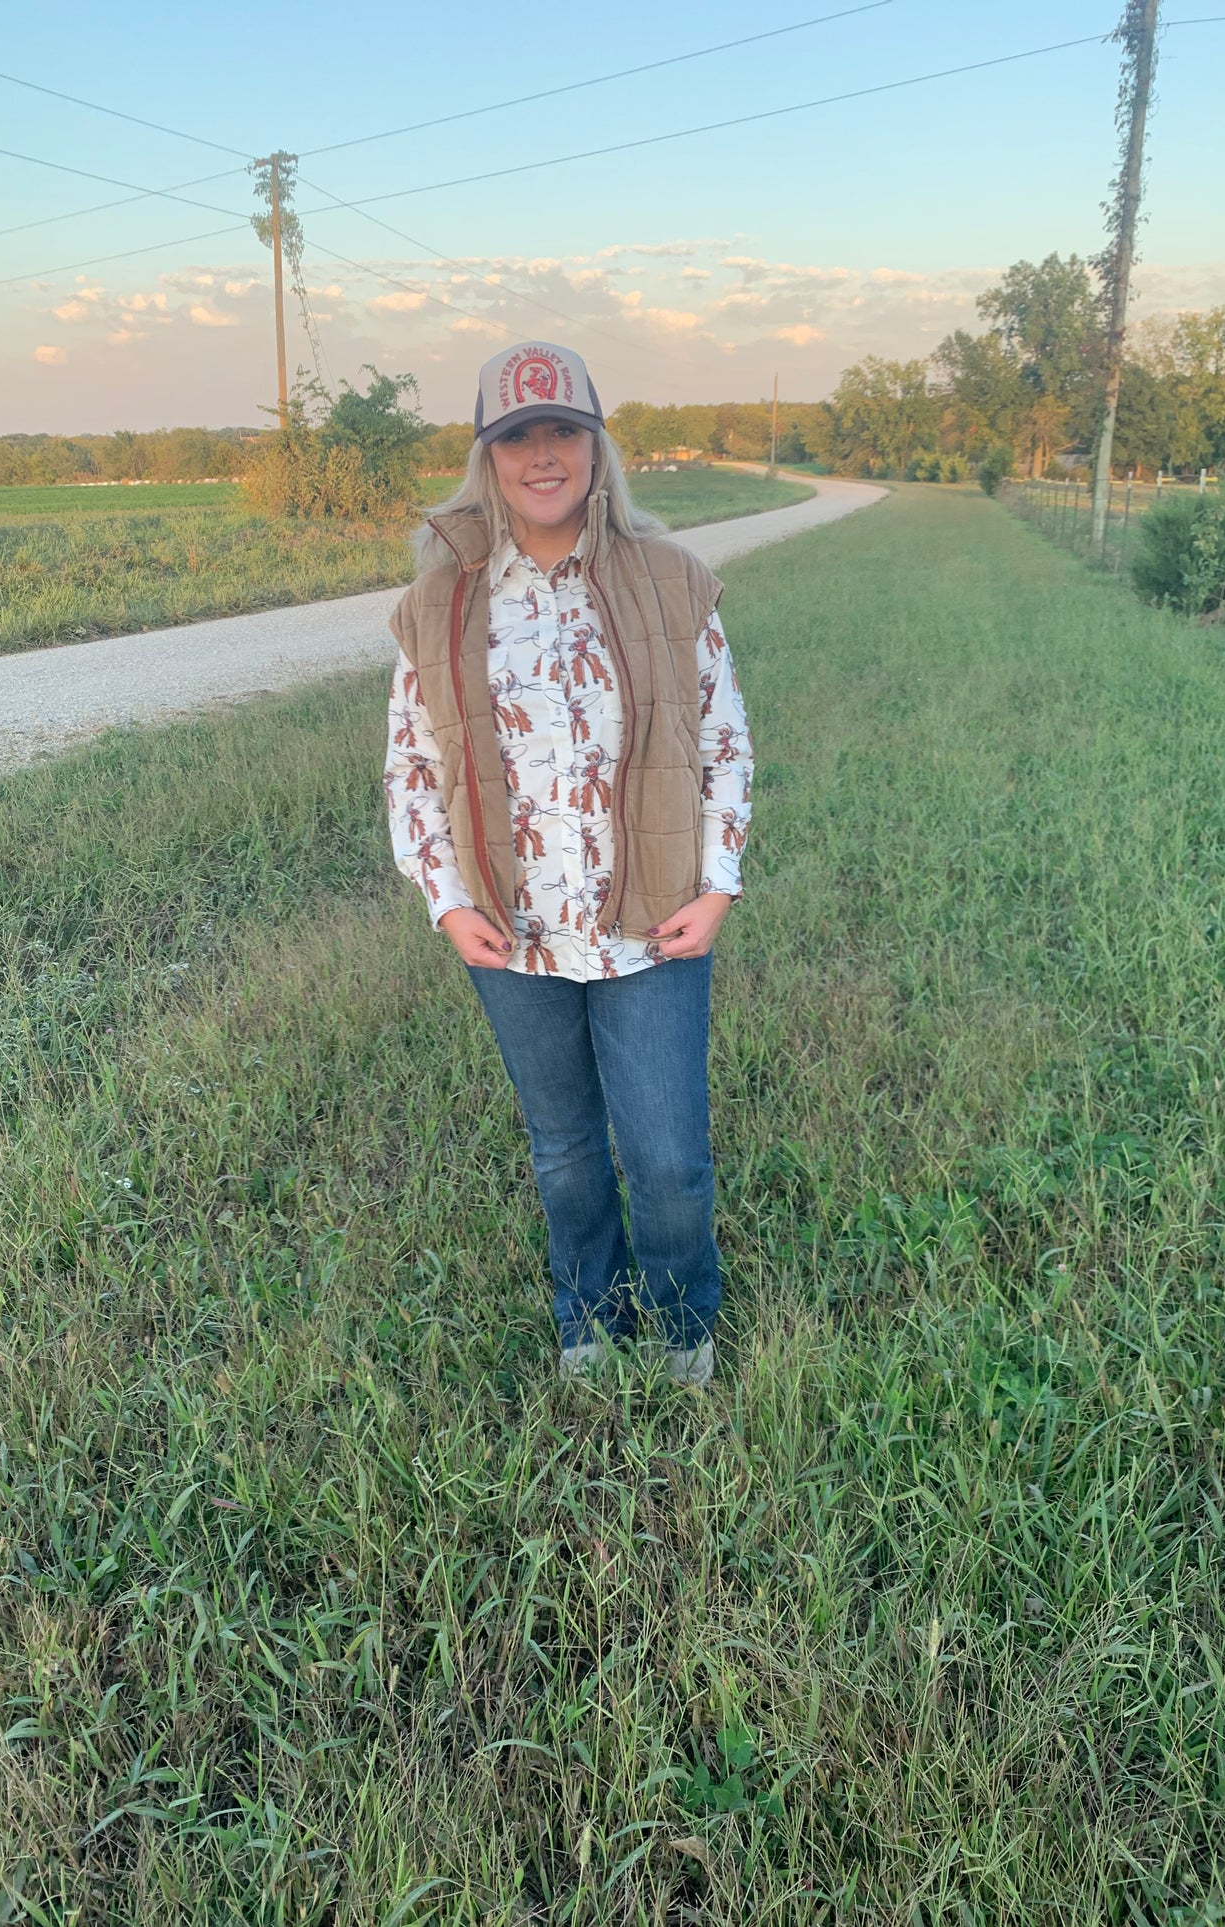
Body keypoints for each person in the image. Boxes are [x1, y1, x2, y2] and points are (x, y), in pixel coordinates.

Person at [383, 341, 753, 1386]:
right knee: (564, 1152)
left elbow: (724, 740)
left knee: (669, 1158)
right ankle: (586, 1313)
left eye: (562, 432)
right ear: (487, 457)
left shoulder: (672, 581)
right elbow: (411, 768)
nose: (541, 455)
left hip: (656, 924)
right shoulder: (440, 601)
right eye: (517, 437)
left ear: (595, 448)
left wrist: (718, 881)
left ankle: (682, 1320)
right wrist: (448, 903)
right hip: (513, 936)